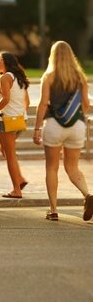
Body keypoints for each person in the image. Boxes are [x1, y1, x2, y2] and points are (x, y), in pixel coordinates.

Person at [32, 41, 93, 221]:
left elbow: (43, 103)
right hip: (76, 126)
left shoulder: (49, 76)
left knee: (52, 167)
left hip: (54, 125)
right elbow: (87, 105)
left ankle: (53, 210)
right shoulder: (80, 77)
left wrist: (36, 128)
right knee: (72, 167)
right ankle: (88, 195)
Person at [0, 51, 30, 198]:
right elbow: (28, 102)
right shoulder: (19, 78)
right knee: (6, 151)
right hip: (20, 119)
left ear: (5, 61)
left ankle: (16, 190)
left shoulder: (6, 77)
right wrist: (19, 113)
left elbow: (5, 99)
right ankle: (19, 179)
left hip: (8, 120)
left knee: (10, 155)